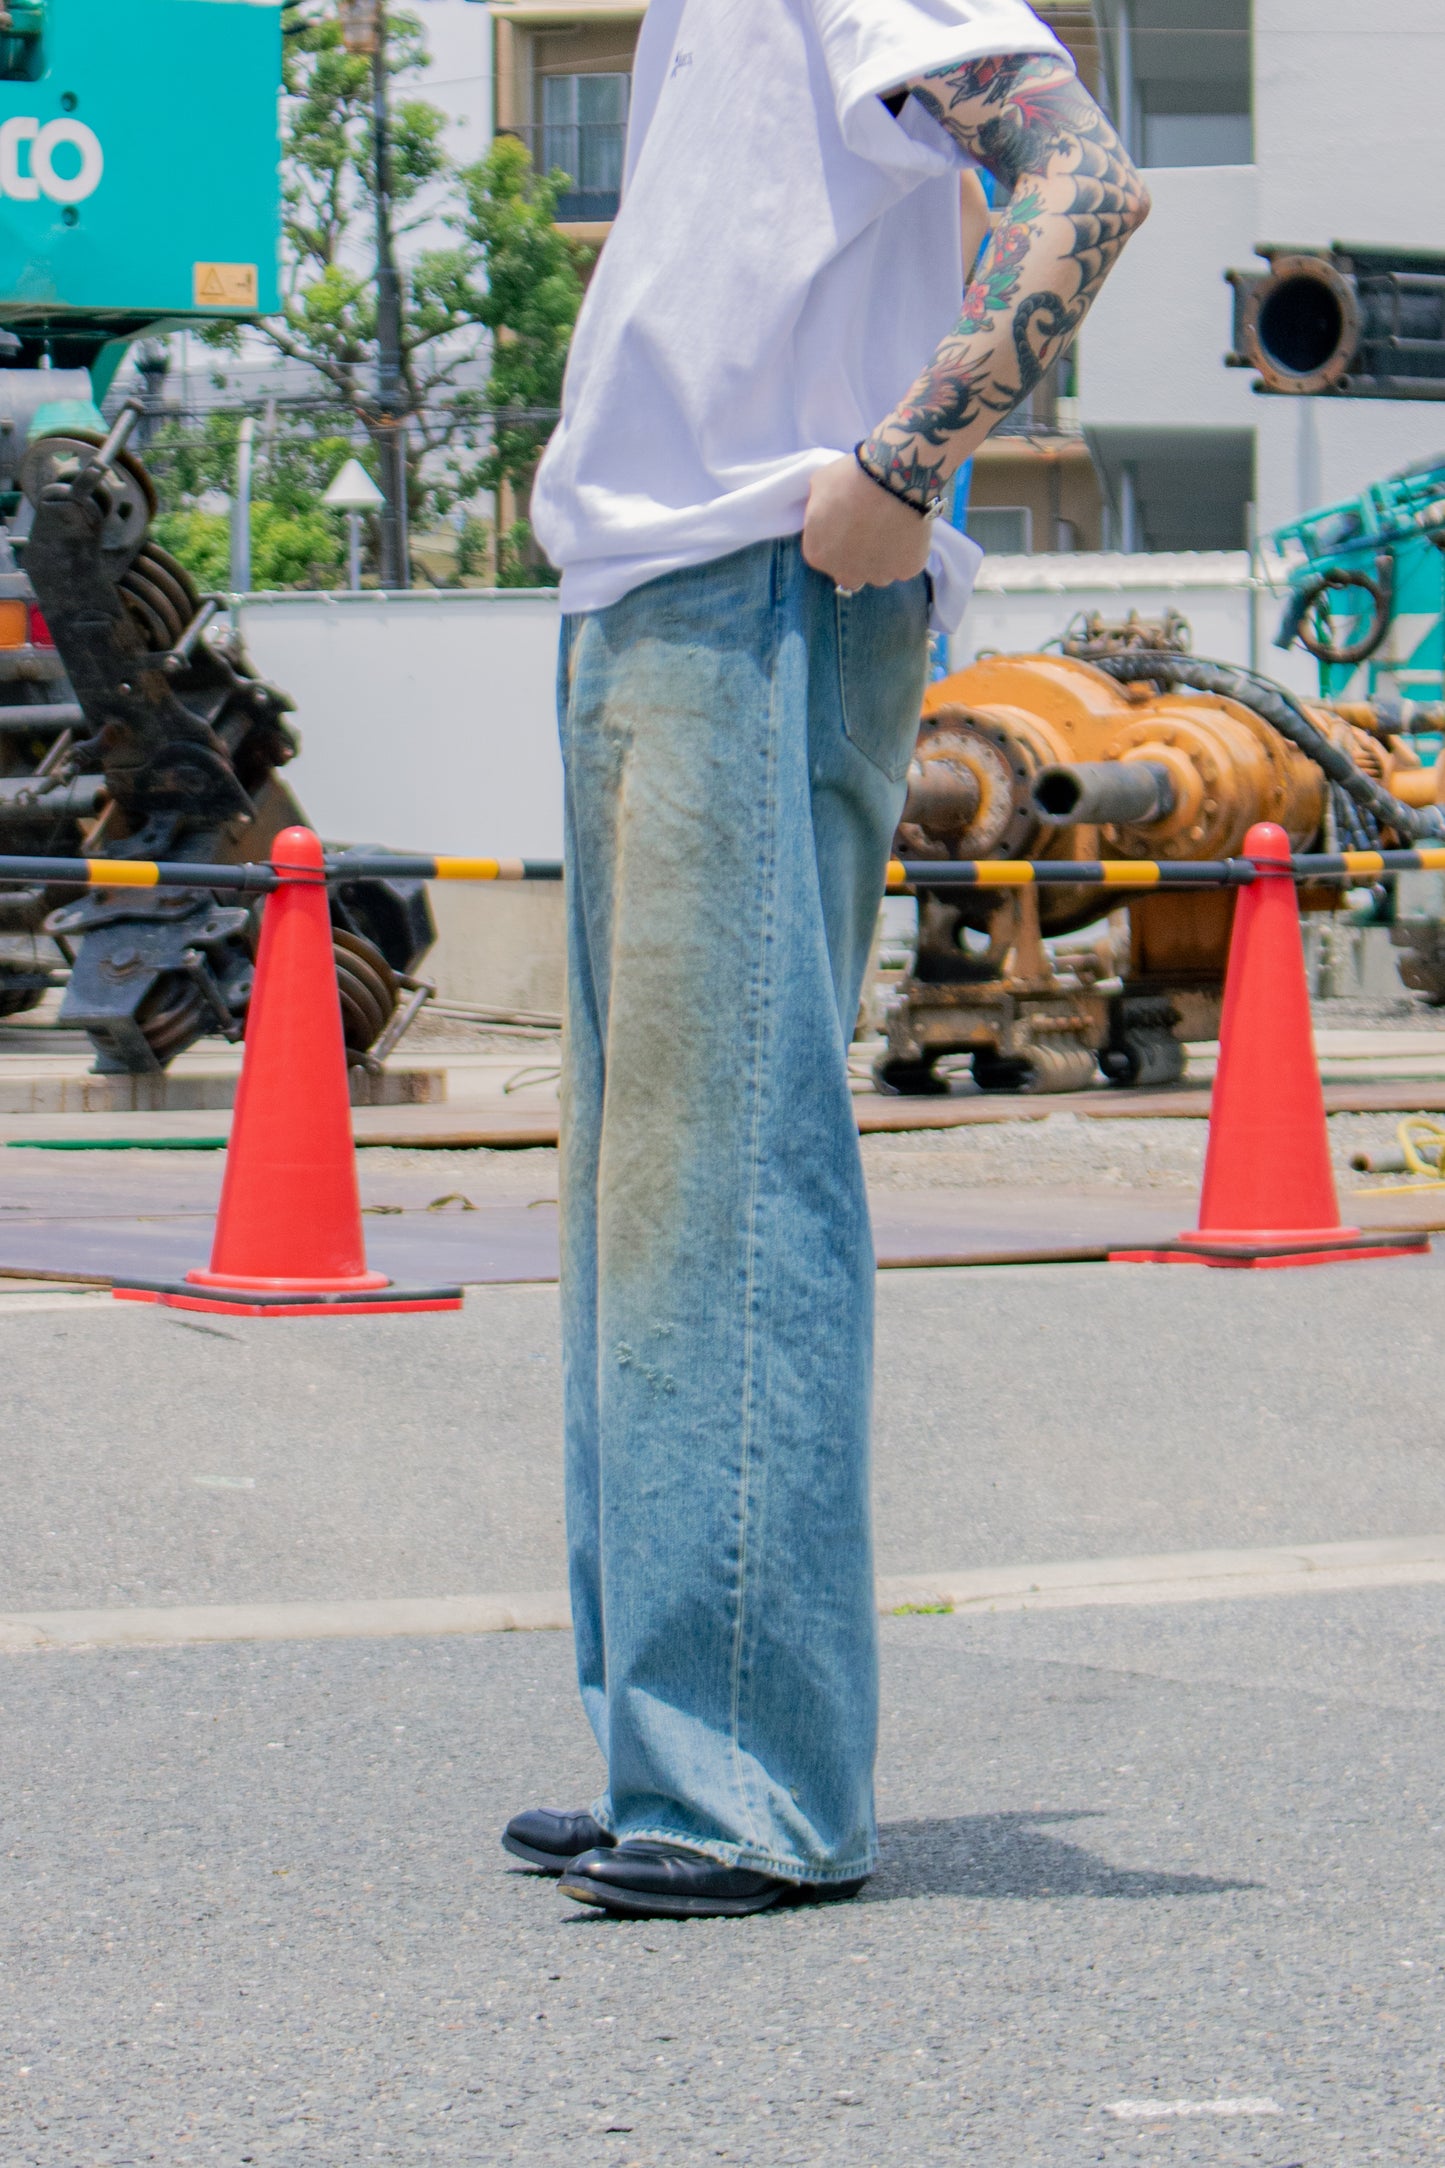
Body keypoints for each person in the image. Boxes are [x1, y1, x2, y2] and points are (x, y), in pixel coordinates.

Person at [503, 0, 1149, 1921]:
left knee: (722, 1180)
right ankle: (670, 1742)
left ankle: (747, 1785)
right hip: (656, 592)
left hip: (762, 584)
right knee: (644, 1193)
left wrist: (906, 458)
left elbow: (1082, 175)